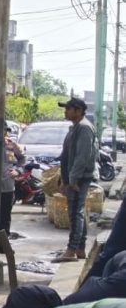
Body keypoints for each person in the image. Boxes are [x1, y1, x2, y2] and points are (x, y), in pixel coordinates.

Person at [58, 96, 97, 262]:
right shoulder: (75, 128)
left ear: (79, 111)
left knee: (76, 213)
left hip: (79, 178)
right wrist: (63, 177)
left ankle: (72, 249)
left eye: (68, 109)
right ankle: (80, 248)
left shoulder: (84, 128)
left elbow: (82, 156)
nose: (66, 112)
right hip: (72, 177)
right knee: (76, 212)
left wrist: (73, 179)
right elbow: (67, 155)